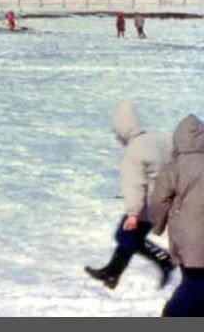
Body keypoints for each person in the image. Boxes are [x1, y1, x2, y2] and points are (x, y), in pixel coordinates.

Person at [85, 98, 174, 290]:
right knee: (130, 237)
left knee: (125, 236)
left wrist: (133, 213)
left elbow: (134, 185)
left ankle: (164, 259)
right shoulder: (161, 138)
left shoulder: (134, 152)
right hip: (167, 198)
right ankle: (111, 273)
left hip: (147, 205)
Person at [149, 113, 204, 316]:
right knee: (197, 282)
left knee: (194, 281)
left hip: (186, 236)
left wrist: (158, 224)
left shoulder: (174, 167)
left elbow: (158, 199)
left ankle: (173, 314)